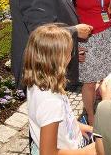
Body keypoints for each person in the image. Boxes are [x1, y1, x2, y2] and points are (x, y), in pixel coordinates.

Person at [22, 24, 95, 154]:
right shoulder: (51, 102)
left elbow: (63, 120)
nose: (71, 57)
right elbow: (48, 153)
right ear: (57, 60)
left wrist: (79, 127)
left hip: (72, 141)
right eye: (69, 53)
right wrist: (90, 151)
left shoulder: (39, 83)